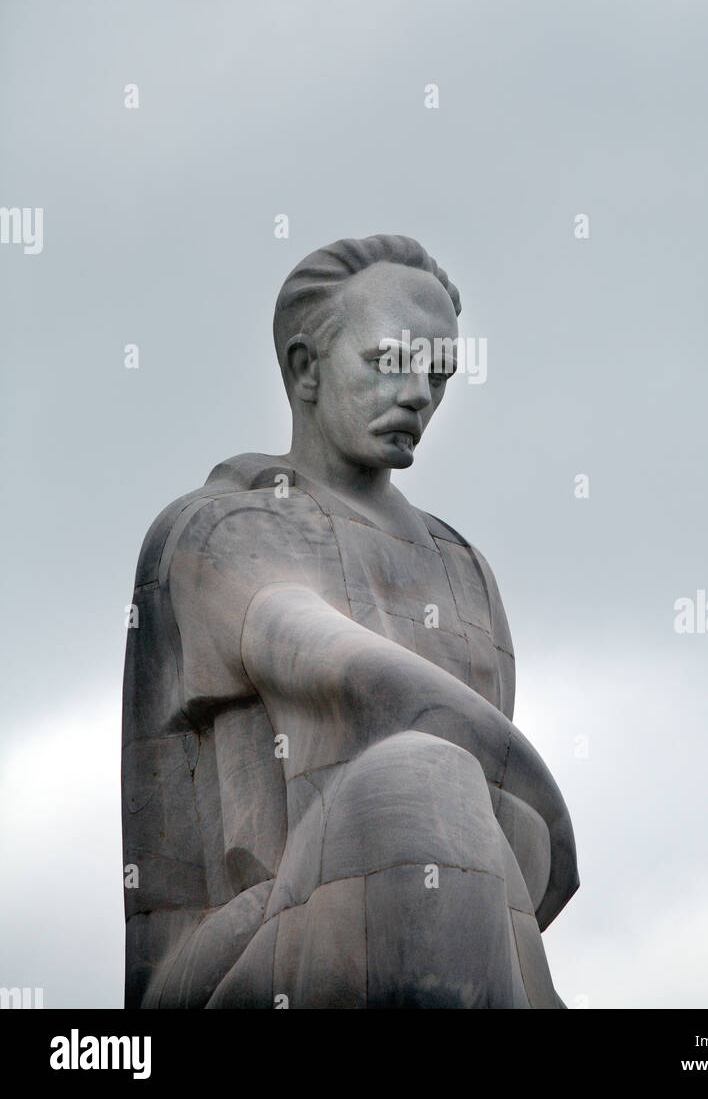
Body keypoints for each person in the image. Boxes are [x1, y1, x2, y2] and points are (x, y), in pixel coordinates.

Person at [122, 233, 578, 1008]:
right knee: (419, 781)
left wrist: (518, 812)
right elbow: (322, 656)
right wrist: (529, 787)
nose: (418, 396)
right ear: (306, 369)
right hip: (242, 949)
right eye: (389, 362)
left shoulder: (463, 567)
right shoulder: (219, 529)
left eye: (438, 374)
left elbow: (514, 846)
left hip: (466, 922)